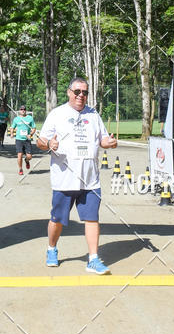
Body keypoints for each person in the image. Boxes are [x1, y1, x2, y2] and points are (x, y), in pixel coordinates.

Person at [37, 77, 117, 274]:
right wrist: (49, 145)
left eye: (85, 92)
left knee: (92, 218)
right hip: (64, 179)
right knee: (57, 219)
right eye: (77, 91)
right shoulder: (57, 114)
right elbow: (41, 141)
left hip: (90, 179)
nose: (81, 96)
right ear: (69, 92)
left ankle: (93, 259)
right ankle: (52, 248)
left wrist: (109, 143)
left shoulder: (94, 115)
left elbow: (103, 140)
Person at [11, 105, 36, 175]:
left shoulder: (30, 118)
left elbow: (34, 128)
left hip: (27, 140)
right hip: (19, 139)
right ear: (19, 110)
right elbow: (12, 127)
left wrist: (30, 134)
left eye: (24, 109)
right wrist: (12, 133)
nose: (23, 110)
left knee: (29, 156)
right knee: (19, 155)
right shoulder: (16, 119)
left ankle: (26, 160)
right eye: (21, 109)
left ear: (26, 110)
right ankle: (20, 169)